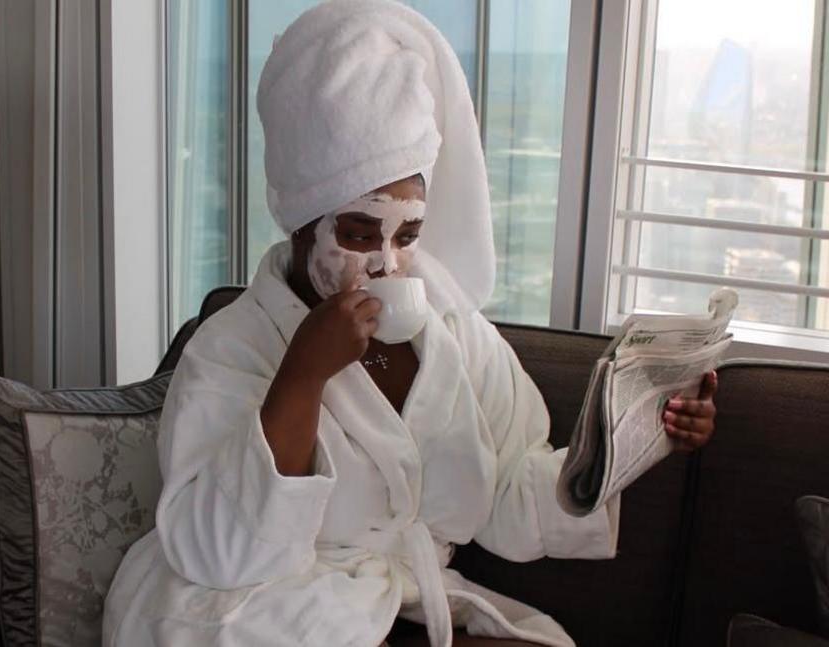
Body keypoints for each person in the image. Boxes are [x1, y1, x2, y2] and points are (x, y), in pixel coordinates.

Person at [103, 2, 717, 645]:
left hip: (395, 609)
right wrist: (303, 376)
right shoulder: (232, 348)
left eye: (409, 234)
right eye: (359, 232)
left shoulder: (451, 327)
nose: (387, 263)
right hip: (252, 615)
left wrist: (639, 438)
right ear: (299, 221)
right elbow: (220, 554)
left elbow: (512, 492)